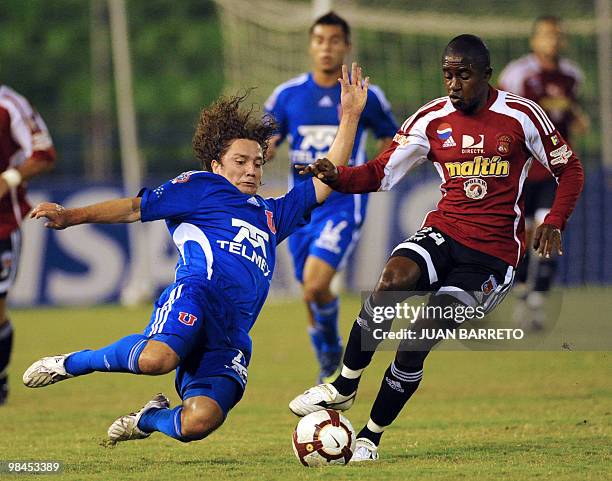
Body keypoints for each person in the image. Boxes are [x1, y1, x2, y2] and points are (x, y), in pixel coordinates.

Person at [22, 63, 369, 444]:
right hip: (197, 298)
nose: (252, 170)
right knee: (157, 360)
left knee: (198, 423)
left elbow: (326, 178)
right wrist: (70, 216)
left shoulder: (273, 214)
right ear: (217, 164)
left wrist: (350, 115)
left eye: (257, 162)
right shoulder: (201, 187)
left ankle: (149, 419)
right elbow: (135, 208)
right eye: (240, 161)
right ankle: (71, 364)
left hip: (233, 330)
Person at [288, 34, 584, 462]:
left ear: (486, 75)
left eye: (463, 75)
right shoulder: (431, 118)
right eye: (447, 74)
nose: (453, 83)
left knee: (421, 333)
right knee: (392, 279)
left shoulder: (520, 115)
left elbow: (569, 168)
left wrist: (554, 220)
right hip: (444, 232)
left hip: (493, 256)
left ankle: (370, 437)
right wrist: (338, 176)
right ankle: (344, 385)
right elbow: (380, 172)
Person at [264, 11, 398, 383]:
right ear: (311, 45)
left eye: (334, 41)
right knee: (310, 292)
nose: (326, 47)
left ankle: (330, 354)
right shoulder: (288, 95)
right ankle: (327, 352)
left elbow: (392, 137)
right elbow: (268, 137)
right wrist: (266, 149)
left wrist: (370, 170)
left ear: (346, 46)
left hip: (342, 202)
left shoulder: (364, 95)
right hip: (302, 204)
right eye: (320, 40)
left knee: (316, 283)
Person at [498, 15, 589, 329]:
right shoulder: (517, 73)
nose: (553, 40)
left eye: (557, 35)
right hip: (521, 170)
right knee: (522, 237)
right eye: (546, 35)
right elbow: (502, 116)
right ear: (534, 40)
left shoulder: (572, 75)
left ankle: (536, 303)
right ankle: (524, 297)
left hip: (553, 172)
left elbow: (571, 120)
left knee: (548, 230)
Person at [0, 85, 56, 405]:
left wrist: (7, 179)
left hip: (1, 224)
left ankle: (0, 379)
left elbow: (43, 154)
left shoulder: (9, 104)